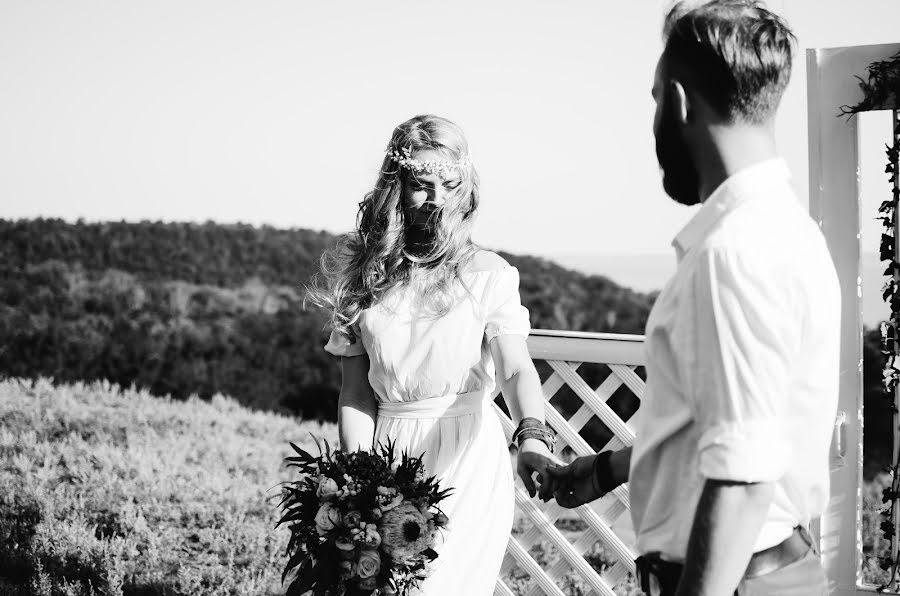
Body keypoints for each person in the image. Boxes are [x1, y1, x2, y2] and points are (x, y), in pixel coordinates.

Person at [545, 2, 841, 595]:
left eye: (655, 99)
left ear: (678, 100)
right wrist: (607, 468)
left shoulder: (732, 253)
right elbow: (729, 421)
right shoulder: (790, 231)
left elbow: (744, 478)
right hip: (772, 569)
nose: (655, 119)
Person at [309, 114, 559, 595]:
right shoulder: (364, 278)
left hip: (467, 455)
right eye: (422, 184)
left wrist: (531, 436)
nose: (437, 199)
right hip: (389, 452)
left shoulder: (489, 274)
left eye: (450, 184)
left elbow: (515, 367)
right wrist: (359, 483)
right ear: (395, 186)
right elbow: (357, 393)